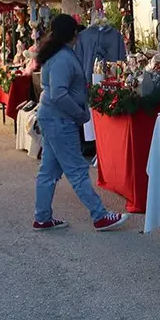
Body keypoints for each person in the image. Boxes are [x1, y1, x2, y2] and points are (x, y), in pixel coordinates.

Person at [32, 14, 127, 232]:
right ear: (73, 33)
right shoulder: (63, 58)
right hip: (60, 119)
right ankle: (99, 215)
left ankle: (42, 217)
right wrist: (80, 114)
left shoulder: (58, 54)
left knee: (49, 170)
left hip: (53, 117)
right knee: (76, 170)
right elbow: (59, 94)